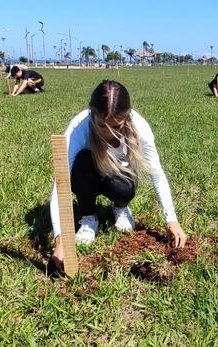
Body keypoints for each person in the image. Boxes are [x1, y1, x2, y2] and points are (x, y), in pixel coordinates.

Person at [50, 80, 187, 266]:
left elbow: (157, 174)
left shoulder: (141, 128)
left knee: (124, 188)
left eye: (116, 127)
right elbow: (61, 184)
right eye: (101, 125)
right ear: (92, 113)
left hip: (118, 176)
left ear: (127, 116)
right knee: (82, 164)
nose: (108, 133)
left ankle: (120, 207)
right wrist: (60, 240)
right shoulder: (77, 130)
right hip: (88, 174)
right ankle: (89, 218)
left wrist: (171, 220)